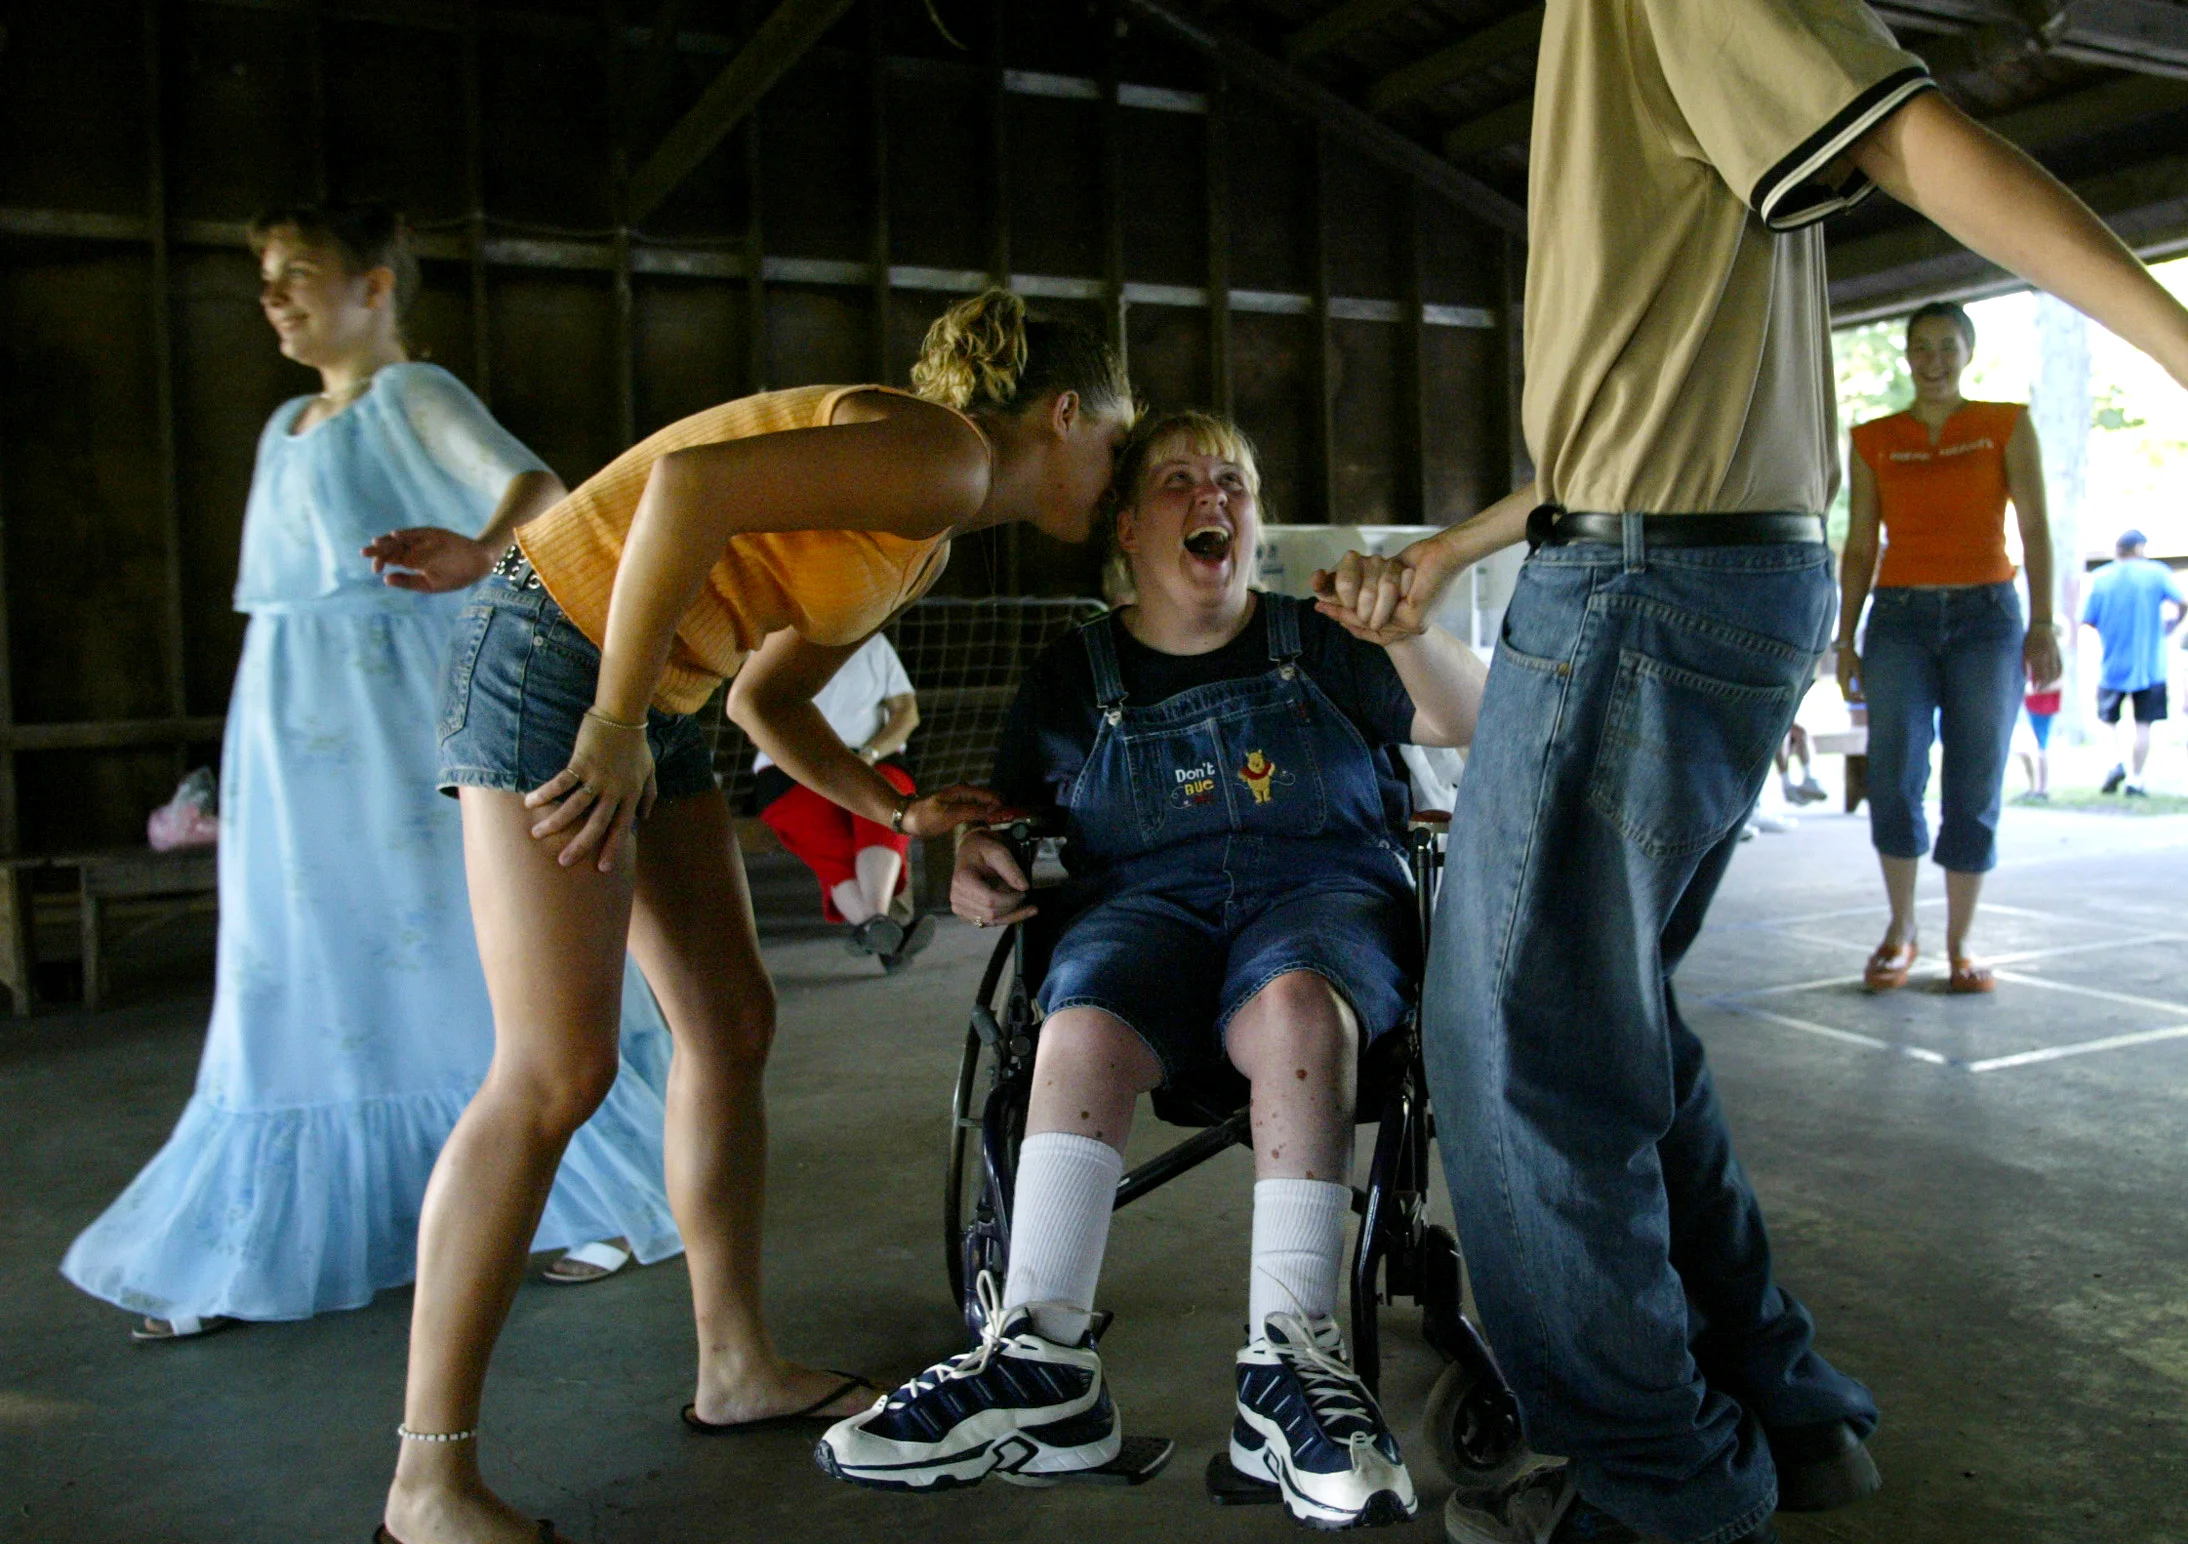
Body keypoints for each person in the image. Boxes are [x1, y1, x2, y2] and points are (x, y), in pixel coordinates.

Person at [1311, 1, 2188, 1537]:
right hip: (1677, 561)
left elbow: (1921, 141)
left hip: (1650, 589)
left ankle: (1664, 1498)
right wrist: (1448, 556)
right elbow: (1631, 416)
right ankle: (1779, 1406)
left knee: (1512, 1054)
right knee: (1606, 1014)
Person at [374, 290, 1134, 1544]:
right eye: (1115, 442)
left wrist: (894, 811)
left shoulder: (928, 535)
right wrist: (612, 724)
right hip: (562, 650)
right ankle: (426, 1483)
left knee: (728, 1019)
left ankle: (733, 1366)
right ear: (1065, 414)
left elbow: (766, 704)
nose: (1112, 477)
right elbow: (679, 489)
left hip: (661, 687)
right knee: (554, 1068)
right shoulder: (940, 453)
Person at [815, 411, 1487, 1530]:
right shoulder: (1073, 675)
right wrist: (974, 861)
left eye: (1233, 478)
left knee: (1296, 1007)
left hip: (1315, 892)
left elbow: (1469, 719)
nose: (1210, 496)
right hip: (1146, 909)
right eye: (1179, 480)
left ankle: (1290, 1363)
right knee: (1076, 1022)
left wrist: (1410, 629)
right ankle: (1042, 1360)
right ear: (1128, 527)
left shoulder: (1318, 637)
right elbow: (1004, 822)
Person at [61, 204, 679, 1343]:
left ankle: (601, 1191)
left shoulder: (413, 395)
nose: (277, 299)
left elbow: (540, 491)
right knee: (305, 955)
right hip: (297, 724)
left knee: (457, 935)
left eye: (300, 275)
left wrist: (475, 556)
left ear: (378, 286)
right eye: (265, 283)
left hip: (403, 711)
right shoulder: (288, 419)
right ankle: (260, 1238)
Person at [1837, 301, 2060, 994]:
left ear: (1968, 353)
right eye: (1920, 349)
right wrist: (1846, 638)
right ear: (1906, 356)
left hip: (1987, 616)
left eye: (1946, 348)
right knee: (1895, 767)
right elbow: (1859, 543)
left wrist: (2044, 622)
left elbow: (2037, 530)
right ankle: (1901, 930)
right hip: (1898, 617)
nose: (1933, 362)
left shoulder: (2005, 425)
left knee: (1976, 772)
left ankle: (1961, 944)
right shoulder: (1873, 437)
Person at [751, 630, 933, 969]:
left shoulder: (874, 644)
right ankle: (888, 930)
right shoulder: (770, 646)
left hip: (872, 758)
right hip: (791, 767)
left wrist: (870, 752)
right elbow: (754, 713)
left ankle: (872, 925)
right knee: (829, 841)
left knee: (887, 811)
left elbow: (907, 712)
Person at [2081, 528, 2186, 796]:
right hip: (2150, 665)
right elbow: (2182, 601)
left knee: (2107, 720)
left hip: (2112, 663)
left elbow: (2088, 619)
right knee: (2143, 724)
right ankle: (2135, 780)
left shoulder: (2100, 578)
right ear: (2139, 548)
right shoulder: (2157, 573)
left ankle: (2115, 763)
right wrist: (2171, 625)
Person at [2016, 682, 2062, 802]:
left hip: (2042, 708)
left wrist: (2035, 688)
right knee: (2023, 749)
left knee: (2040, 749)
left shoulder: (2053, 664)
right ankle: (2033, 787)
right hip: (2027, 705)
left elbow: (2059, 683)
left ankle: (2042, 789)